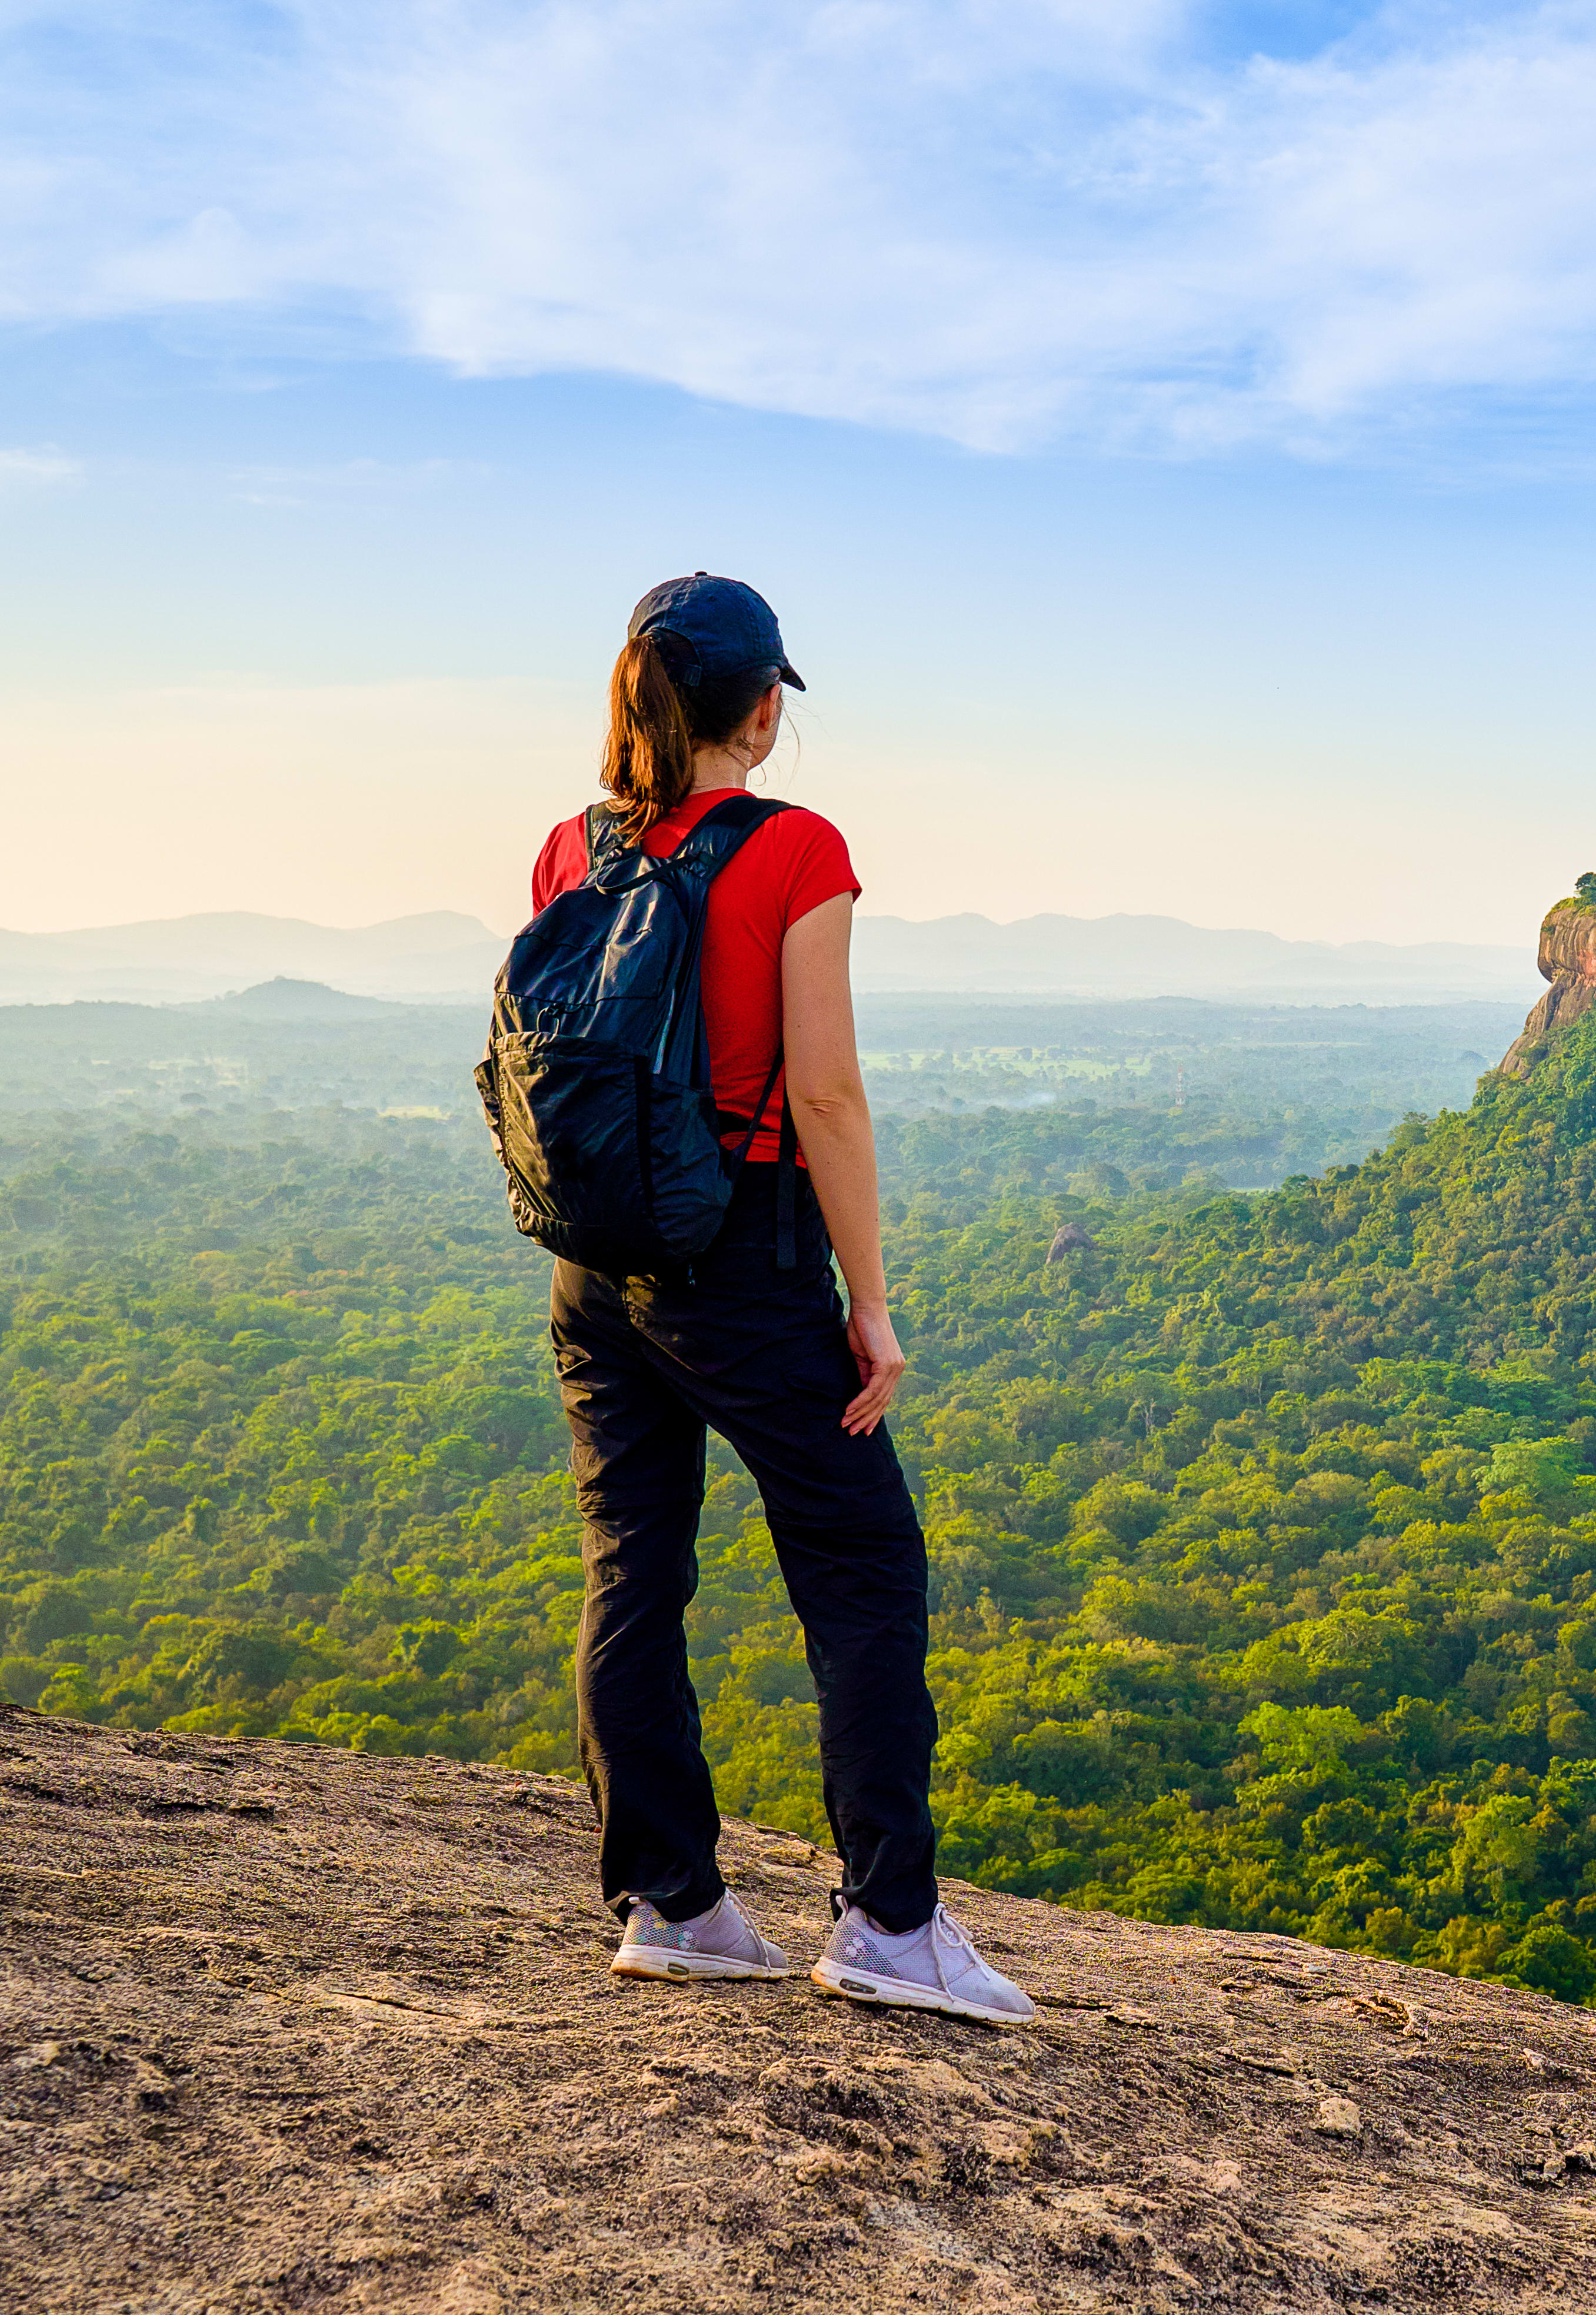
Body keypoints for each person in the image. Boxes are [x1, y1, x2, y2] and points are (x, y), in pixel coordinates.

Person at [528, 572, 1029, 2024]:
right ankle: (889, 1919)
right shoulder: (795, 848)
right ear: (763, 704)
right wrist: (865, 1301)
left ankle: (673, 1902)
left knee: (633, 1560)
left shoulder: (573, 842)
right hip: (740, 1257)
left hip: (594, 1261)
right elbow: (822, 1090)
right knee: (862, 1564)